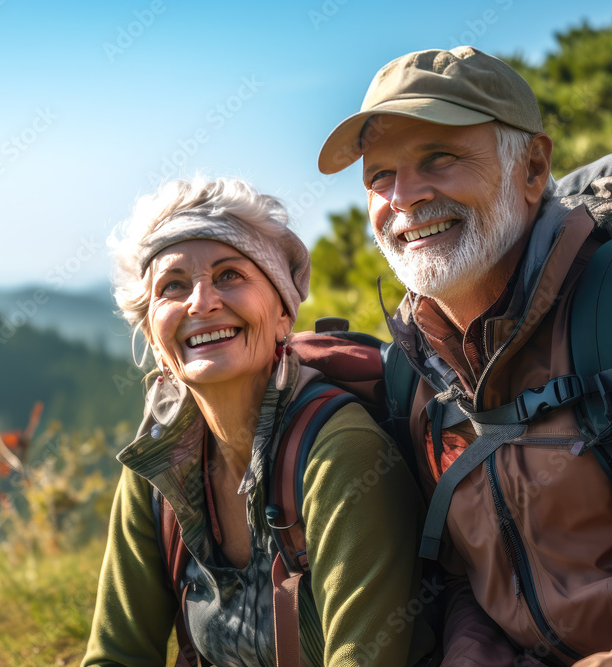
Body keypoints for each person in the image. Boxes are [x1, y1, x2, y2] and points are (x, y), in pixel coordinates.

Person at [317, 46, 612, 665]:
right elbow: (468, 583)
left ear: (532, 168)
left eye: (439, 159)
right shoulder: (419, 374)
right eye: (379, 177)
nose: (404, 198)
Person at [81, 177, 434, 666]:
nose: (201, 302)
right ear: (152, 334)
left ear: (284, 313)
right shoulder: (158, 469)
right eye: (173, 286)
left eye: (229, 275)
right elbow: (117, 655)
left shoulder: (341, 455)